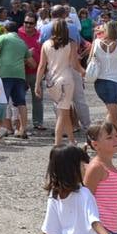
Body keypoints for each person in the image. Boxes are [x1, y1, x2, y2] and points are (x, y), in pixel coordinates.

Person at [37, 19, 84, 148]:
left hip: (51, 81)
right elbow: (75, 64)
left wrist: (37, 84)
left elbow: (41, 66)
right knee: (62, 114)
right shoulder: (71, 44)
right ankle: (57, 144)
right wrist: (84, 72)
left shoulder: (46, 44)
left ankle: (71, 140)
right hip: (66, 80)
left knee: (64, 110)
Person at [0, 22, 33, 141]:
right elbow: (32, 63)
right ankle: (23, 129)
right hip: (20, 76)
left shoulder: (2, 38)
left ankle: (2, 129)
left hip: (5, 74)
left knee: (2, 102)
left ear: (5, 29)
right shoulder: (22, 43)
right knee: (21, 103)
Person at [87, 21, 117, 138]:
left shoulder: (97, 42)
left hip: (100, 80)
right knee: (112, 112)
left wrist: (96, 35)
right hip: (116, 81)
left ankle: (112, 137)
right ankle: (114, 137)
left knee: (111, 112)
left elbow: (89, 60)